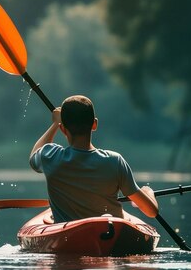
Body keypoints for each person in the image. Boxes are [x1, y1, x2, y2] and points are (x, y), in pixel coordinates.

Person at [29, 94, 158, 223]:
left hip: (68, 236)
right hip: (111, 233)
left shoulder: (50, 156)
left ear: (63, 129)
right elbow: (151, 211)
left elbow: (34, 155)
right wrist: (148, 191)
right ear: (94, 124)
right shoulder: (114, 161)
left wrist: (55, 124)